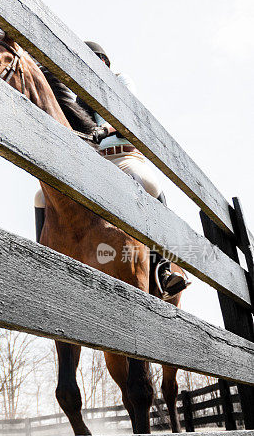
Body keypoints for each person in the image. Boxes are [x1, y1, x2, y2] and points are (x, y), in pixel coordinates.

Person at [35, 41, 190, 300]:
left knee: (146, 182)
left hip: (124, 157)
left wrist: (103, 131)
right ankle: (40, 261)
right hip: (96, 163)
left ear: (103, 63)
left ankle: (164, 268)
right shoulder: (80, 98)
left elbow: (127, 118)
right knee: (41, 197)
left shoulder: (121, 82)